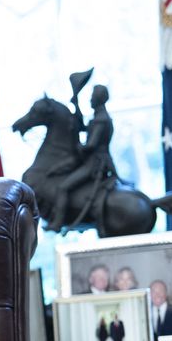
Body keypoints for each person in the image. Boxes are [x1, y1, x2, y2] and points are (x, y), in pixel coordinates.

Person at [49, 85, 118, 231]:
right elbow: (83, 127)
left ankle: (57, 223)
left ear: (98, 99)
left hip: (95, 163)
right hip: (93, 160)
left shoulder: (101, 120)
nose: (90, 99)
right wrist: (76, 105)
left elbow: (91, 144)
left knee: (63, 188)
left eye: (92, 96)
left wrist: (78, 146)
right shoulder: (99, 117)